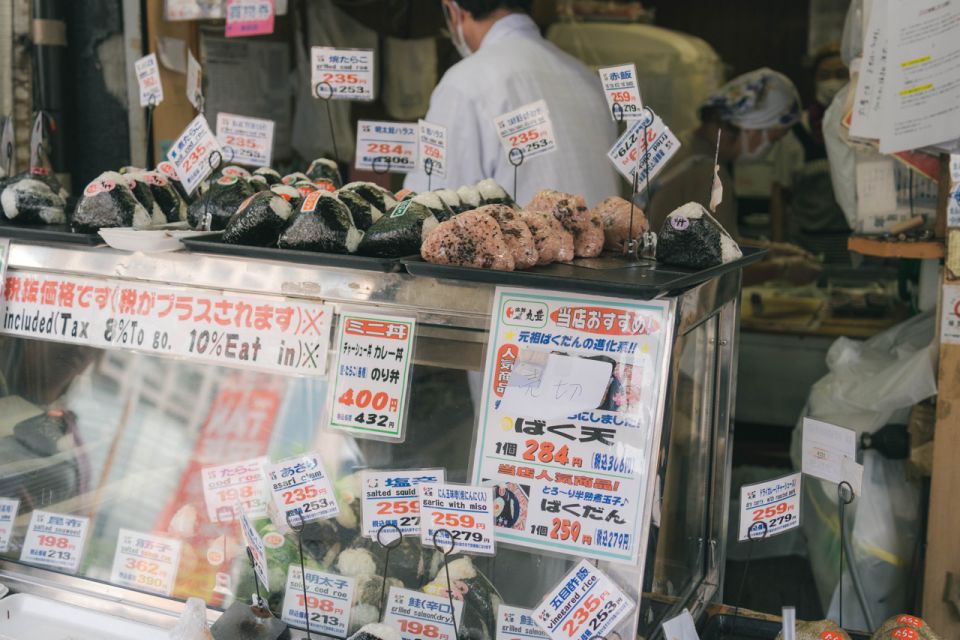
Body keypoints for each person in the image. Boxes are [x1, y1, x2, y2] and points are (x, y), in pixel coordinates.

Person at [403, 0, 619, 206]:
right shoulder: (586, 79)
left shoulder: (463, 83)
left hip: (529, 244)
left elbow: (428, 205)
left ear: (453, 10)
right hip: (605, 243)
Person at [646, 68, 802, 236]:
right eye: (774, 139)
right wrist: (783, 263)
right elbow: (718, 258)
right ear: (750, 128)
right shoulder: (711, 177)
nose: (771, 147)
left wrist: (770, 250)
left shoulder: (681, 144)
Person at [785, 45, 851, 259]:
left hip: (854, 243)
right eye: (824, 76)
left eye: (841, 74)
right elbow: (780, 192)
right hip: (807, 244)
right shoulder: (797, 129)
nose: (832, 82)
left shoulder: (864, 128)